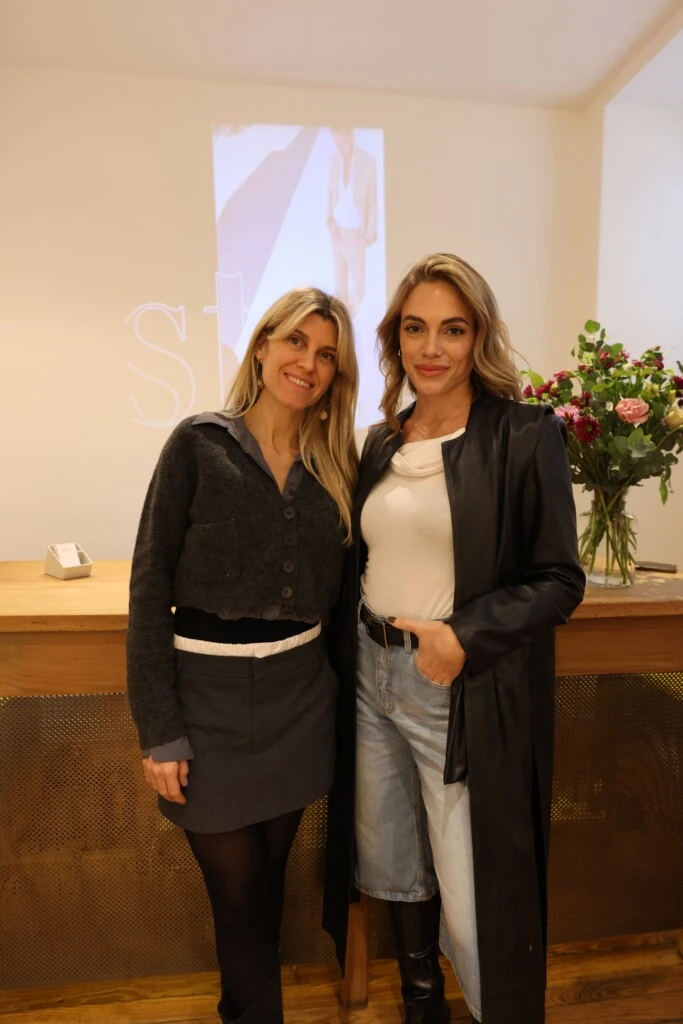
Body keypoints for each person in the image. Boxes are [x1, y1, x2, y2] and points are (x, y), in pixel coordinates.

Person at [323, 253, 585, 1024]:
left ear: (478, 338)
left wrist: (463, 635)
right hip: (370, 679)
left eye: (452, 329)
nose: (430, 348)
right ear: (394, 339)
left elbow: (558, 580)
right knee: (392, 865)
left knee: (473, 902)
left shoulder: (523, 435)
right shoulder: (380, 443)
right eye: (414, 329)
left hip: (453, 689)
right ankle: (421, 1008)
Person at [126, 287, 358, 1024]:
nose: (308, 363)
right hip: (206, 703)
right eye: (295, 342)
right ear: (261, 347)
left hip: (300, 701)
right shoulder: (198, 444)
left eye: (326, 355)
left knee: (267, 886)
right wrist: (159, 728)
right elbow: (148, 588)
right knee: (235, 891)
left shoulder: (337, 467)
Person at [327, 128, 378, 317]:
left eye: (341, 142)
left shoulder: (367, 161)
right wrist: (330, 222)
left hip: (357, 234)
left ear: (350, 136)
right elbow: (330, 195)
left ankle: (358, 329)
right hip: (337, 232)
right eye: (335, 143)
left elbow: (372, 200)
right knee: (339, 291)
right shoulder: (334, 161)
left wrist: (369, 235)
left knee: (358, 291)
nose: (339, 147)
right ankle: (341, 329)